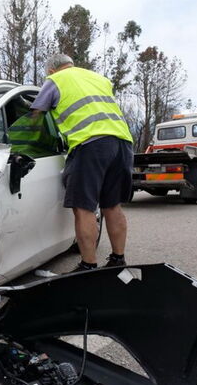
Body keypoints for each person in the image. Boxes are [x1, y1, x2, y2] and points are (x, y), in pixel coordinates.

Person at [30, 53, 135, 271]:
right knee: (112, 205)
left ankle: (88, 265)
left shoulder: (56, 80)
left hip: (91, 144)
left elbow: (36, 113)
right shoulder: (98, 78)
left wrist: (23, 139)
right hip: (122, 143)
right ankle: (118, 260)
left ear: (51, 70)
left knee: (84, 208)